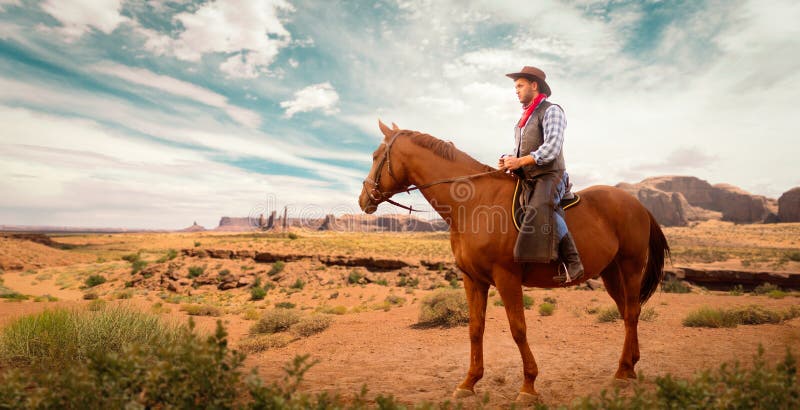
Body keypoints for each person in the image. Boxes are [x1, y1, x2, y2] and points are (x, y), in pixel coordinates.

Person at [498, 66, 584, 281]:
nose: (516, 91)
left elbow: (552, 147)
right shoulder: (523, 119)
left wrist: (520, 160)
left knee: (540, 206)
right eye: (515, 87)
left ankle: (573, 263)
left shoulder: (552, 110)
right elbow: (522, 151)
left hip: (550, 175)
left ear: (534, 85)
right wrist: (509, 160)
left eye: (520, 85)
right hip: (528, 176)